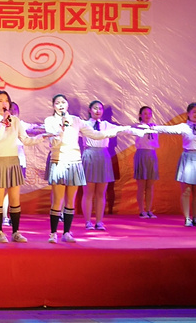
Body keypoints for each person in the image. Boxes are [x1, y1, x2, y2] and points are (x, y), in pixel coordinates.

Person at [44, 94, 136, 243]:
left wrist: (121, 130)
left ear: (67, 105)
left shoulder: (76, 120)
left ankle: (66, 233)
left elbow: (96, 135)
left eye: (63, 102)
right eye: (57, 103)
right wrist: (61, 129)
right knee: (58, 200)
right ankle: (53, 233)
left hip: (74, 162)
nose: (61, 105)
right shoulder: (50, 121)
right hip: (59, 161)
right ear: (53, 106)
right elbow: (53, 141)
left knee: (70, 201)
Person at [0, 91, 49, 243]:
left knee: (15, 199)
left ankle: (16, 232)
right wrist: (3, 121)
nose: (4, 103)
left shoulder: (15, 121)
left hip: (13, 161)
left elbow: (26, 140)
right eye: (0, 100)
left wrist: (42, 137)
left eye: (6, 100)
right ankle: (0, 232)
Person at [81, 100, 119, 231]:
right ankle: (88, 222)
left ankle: (99, 222)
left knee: (101, 193)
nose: (98, 110)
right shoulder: (84, 124)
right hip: (89, 156)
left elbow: (123, 130)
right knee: (88, 192)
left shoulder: (107, 125)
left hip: (103, 157)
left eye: (100, 108)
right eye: (95, 108)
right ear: (89, 110)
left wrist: (143, 128)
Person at [133, 106, 159, 219]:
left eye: (149, 113)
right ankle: (141, 210)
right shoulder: (137, 127)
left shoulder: (154, 127)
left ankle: (149, 210)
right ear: (140, 115)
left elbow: (156, 142)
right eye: (145, 113)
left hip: (152, 155)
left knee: (150, 186)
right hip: (141, 154)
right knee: (141, 185)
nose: (147, 116)